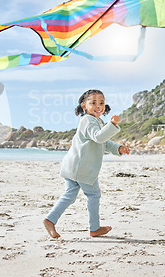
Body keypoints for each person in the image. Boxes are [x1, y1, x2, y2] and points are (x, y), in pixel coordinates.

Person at [43, 89, 130, 238]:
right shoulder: (88, 120)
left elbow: (103, 142)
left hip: (74, 166)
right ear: (84, 106)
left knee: (70, 195)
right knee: (94, 194)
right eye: (93, 103)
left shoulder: (96, 121)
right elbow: (98, 137)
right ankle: (94, 228)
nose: (99, 106)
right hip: (82, 168)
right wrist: (113, 124)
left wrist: (118, 148)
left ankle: (50, 220)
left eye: (101, 103)